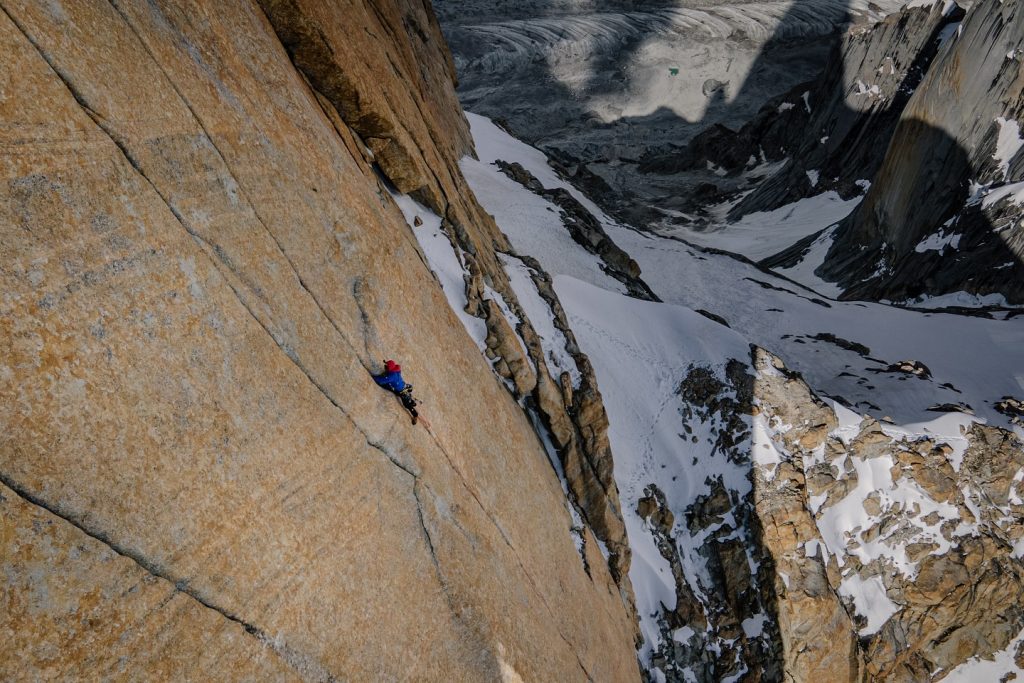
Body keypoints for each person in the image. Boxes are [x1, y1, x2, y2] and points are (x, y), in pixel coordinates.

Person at [373, 359, 419, 425]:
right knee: (406, 395)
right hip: (404, 386)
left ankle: (415, 415)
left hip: (402, 391)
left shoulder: (392, 376)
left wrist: (373, 377)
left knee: (407, 404)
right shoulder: (396, 370)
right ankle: (412, 402)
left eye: (387, 366)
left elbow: (381, 381)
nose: (385, 367)